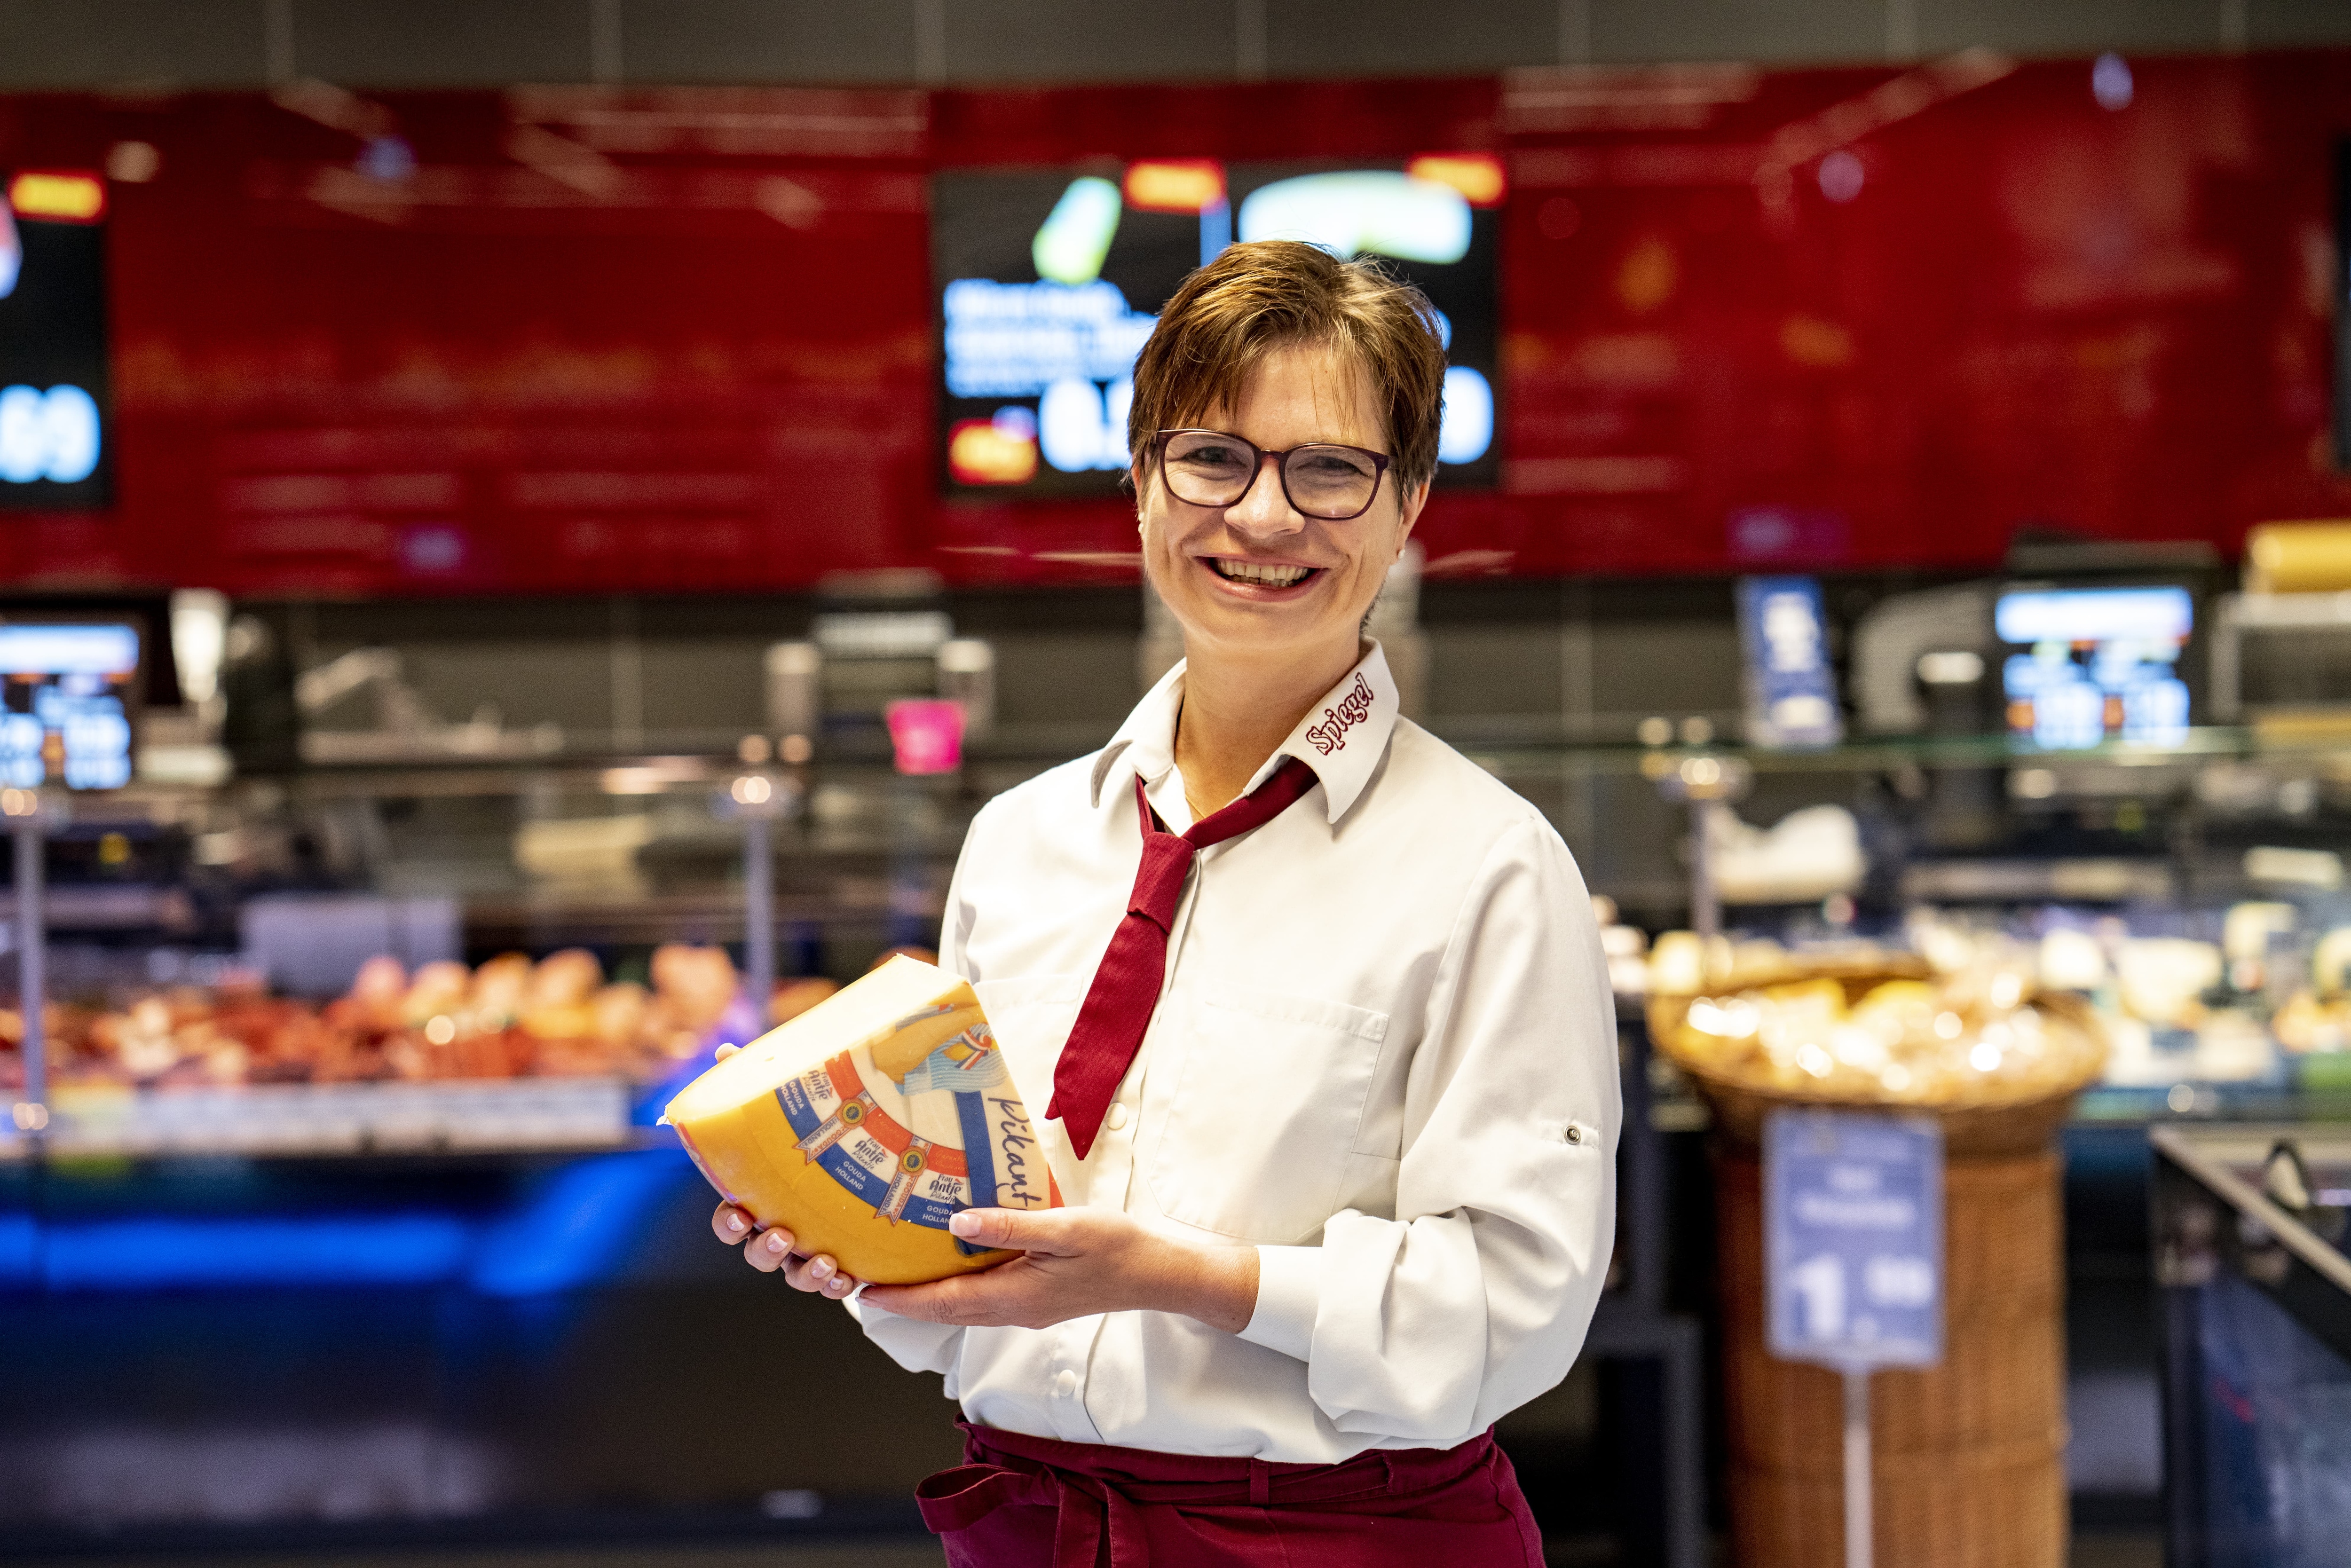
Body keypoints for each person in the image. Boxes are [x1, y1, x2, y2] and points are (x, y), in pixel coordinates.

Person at [710, 238, 1618, 1566]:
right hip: (1033, 1529)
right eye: (1212, 458)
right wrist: (842, 1229)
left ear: (1409, 503)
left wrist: (1179, 1279)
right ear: (1141, 484)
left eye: (1330, 469)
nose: (1262, 517)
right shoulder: (1021, 843)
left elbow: (1517, 1307)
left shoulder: (1491, 864)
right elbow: (977, 1256)